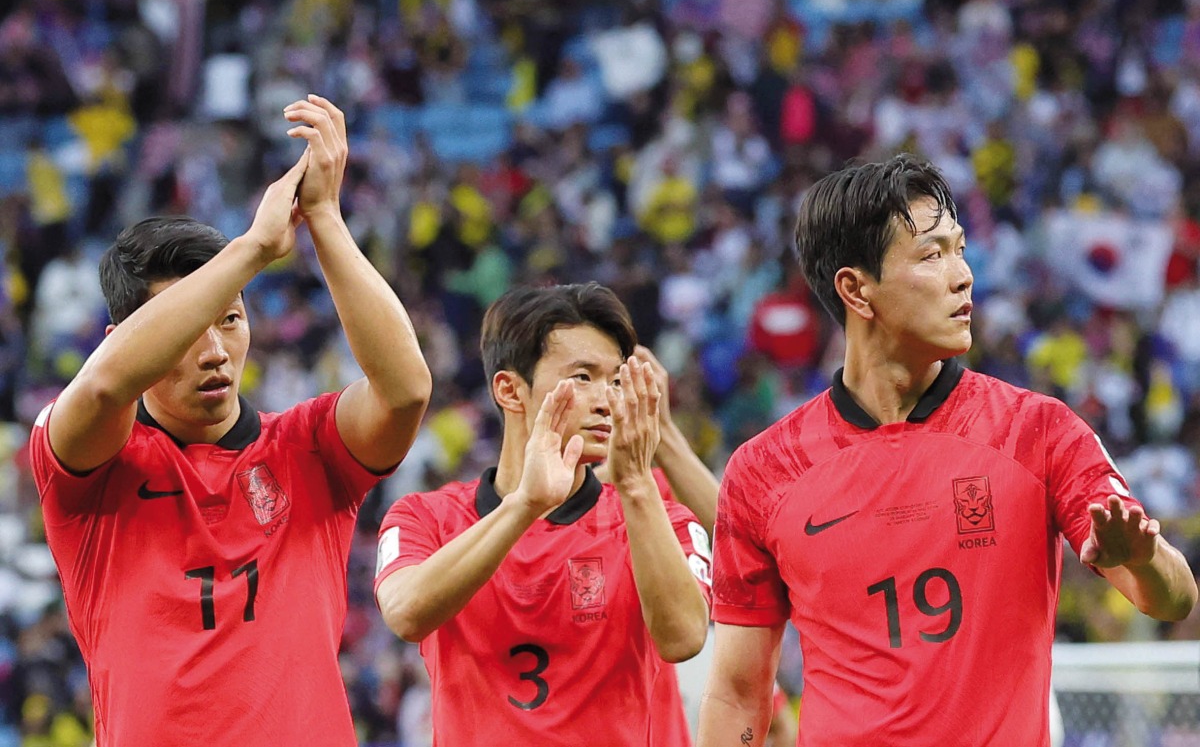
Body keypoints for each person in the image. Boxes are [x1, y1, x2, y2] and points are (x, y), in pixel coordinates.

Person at [697, 154, 1197, 747]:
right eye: (933, 255)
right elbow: (736, 693)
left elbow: (1173, 598)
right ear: (857, 290)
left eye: (959, 249)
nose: (963, 275)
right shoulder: (764, 471)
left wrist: (1141, 558)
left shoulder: (1038, 432)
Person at [30, 96, 432, 747]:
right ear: (124, 336)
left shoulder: (311, 447)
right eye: (191, 326)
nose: (215, 350)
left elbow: (407, 390)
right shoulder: (92, 463)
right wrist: (250, 249)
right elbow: (105, 383)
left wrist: (324, 217)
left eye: (232, 319)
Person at [374, 283, 711, 746]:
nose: (605, 400)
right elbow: (405, 612)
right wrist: (524, 505)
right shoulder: (424, 517)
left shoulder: (662, 521)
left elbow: (685, 638)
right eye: (582, 377)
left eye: (615, 381)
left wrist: (635, 483)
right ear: (511, 391)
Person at [596, 343, 719, 746]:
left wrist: (662, 431)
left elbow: (739, 540)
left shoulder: (649, 496)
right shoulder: (518, 507)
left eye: (616, 381)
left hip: (660, 685)